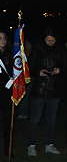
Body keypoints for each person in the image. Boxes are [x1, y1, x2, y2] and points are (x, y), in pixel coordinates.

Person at [27, 27, 67, 156]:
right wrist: (38, 72)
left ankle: (49, 144)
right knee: (35, 119)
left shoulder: (61, 49)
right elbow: (29, 66)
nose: (50, 43)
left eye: (52, 40)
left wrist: (59, 70)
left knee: (51, 118)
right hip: (40, 87)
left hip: (54, 88)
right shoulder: (37, 48)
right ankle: (31, 145)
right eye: (48, 40)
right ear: (44, 39)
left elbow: (66, 65)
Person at [0, 29, 15, 158]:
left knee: (8, 122)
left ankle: (8, 149)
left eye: (4, 37)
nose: (3, 40)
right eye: (0, 38)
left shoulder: (10, 53)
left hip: (7, 92)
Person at [17, 38, 35, 119]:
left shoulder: (33, 54)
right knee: (24, 95)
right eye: (25, 44)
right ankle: (23, 112)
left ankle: (27, 112)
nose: (26, 46)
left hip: (31, 78)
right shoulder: (22, 54)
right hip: (23, 77)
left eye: (28, 44)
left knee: (29, 96)